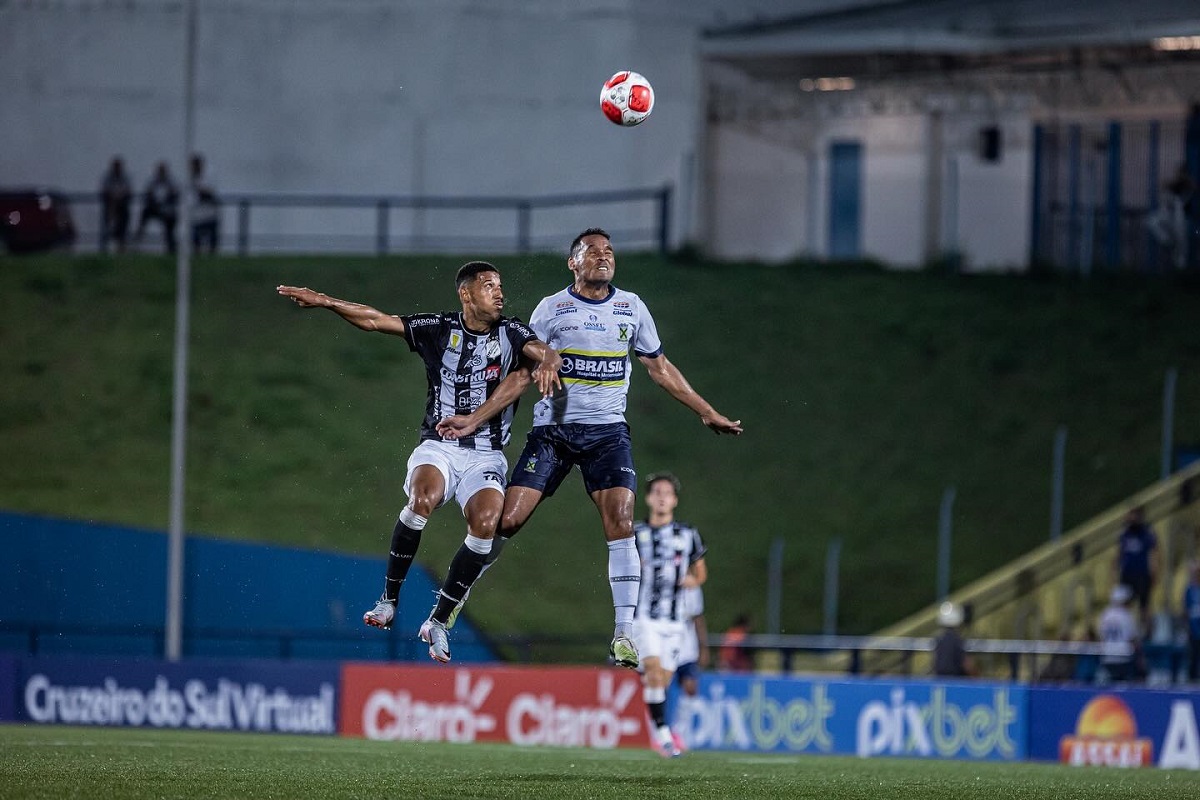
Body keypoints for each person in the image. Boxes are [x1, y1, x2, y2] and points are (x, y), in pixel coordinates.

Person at [432, 227, 742, 669]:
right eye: (591, 251)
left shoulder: (631, 308)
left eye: (609, 251)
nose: (603, 256)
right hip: (552, 434)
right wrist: (474, 419)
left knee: (622, 522)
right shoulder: (551, 309)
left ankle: (623, 635)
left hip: (607, 435)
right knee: (507, 521)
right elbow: (521, 373)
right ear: (572, 263)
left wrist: (704, 410)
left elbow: (659, 367)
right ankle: (451, 602)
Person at [276, 262, 561, 663]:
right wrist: (325, 301)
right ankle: (389, 600)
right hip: (439, 445)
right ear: (466, 294)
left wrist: (548, 359)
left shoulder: (510, 331)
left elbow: (541, 352)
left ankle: (439, 621)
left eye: (500, 286)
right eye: (488, 286)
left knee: (485, 526)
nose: (499, 293)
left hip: (485, 455)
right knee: (422, 500)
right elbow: (376, 320)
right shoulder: (439, 328)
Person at [629, 472, 707, 758]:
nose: (662, 497)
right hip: (645, 617)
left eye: (667, 493)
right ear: (648, 498)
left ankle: (660, 728)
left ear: (674, 500)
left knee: (661, 680)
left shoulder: (688, 534)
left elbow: (701, 572)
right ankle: (663, 736)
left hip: (675, 623)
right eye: (657, 492)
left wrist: (690, 580)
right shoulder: (635, 533)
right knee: (652, 672)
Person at [1113, 506, 1160, 623]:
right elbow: (1119, 553)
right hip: (1127, 573)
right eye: (1131, 516)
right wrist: (1114, 570)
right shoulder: (1125, 533)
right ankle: (1125, 626)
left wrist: (1155, 571)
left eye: (1135, 516)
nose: (1133, 519)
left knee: (1144, 605)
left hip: (1142, 574)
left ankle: (1147, 631)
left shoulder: (1147, 533)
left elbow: (1155, 552)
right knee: (1124, 603)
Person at [1097, 584, 1142, 683]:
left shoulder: (1105, 614)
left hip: (1108, 656)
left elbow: (1101, 637)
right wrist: (1140, 658)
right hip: (1124, 656)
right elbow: (1132, 639)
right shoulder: (1126, 616)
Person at [134, 161, 179, 254]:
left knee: (170, 223)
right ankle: (137, 239)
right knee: (145, 213)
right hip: (154, 208)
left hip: (167, 210)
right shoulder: (153, 182)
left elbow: (175, 195)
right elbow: (147, 195)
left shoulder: (171, 182)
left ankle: (171, 248)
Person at [932, 601, 977, 678]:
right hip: (955, 679)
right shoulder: (957, 640)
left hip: (940, 678)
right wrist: (977, 678)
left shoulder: (939, 639)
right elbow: (966, 664)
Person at [98, 156, 132, 254]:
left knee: (122, 229)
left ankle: (122, 248)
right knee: (106, 228)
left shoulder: (125, 178)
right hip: (109, 206)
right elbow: (105, 190)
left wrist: (119, 196)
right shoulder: (107, 177)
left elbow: (127, 190)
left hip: (122, 207)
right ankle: (104, 248)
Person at [189, 153, 221, 255]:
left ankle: (212, 258)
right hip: (197, 215)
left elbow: (210, 193)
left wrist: (199, 188)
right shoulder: (189, 179)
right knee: (196, 239)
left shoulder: (208, 177)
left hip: (210, 213)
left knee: (212, 240)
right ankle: (197, 256)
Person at [1183, 560, 1200, 682]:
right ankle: (1192, 681)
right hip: (1194, 630)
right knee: (1193, 657)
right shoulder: (1189, 590)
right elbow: (1186, 611)